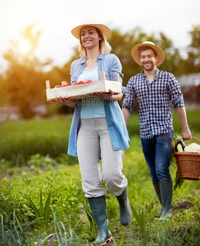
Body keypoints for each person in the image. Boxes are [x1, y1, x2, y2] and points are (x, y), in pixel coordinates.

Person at [55, 18, 132, 245]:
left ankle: (122, 198)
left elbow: (118, 91)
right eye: (83, 34)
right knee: (89, 178)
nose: (86, 36)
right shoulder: (75, 65)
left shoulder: (110, 59)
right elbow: (75, 98)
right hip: (85, 126)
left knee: (111, 175)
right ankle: (104, 231)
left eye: (91, 32)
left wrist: (110, 94)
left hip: (108, 123)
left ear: (100, 37)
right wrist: (63, 99)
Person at [122, 41, 192, 219]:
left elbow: (179, 103)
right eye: (143, 56)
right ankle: (164, 205)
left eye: (149, 56)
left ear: (156, 58)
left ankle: (167, 211)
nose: (146, 59)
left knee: (162, 169)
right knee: (153, 172)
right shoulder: (133, 81)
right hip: (145, 133)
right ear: (140, 60)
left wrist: (185, 128)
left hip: (164, 131)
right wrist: (121, 130)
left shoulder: (168, 78)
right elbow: (127, 106)